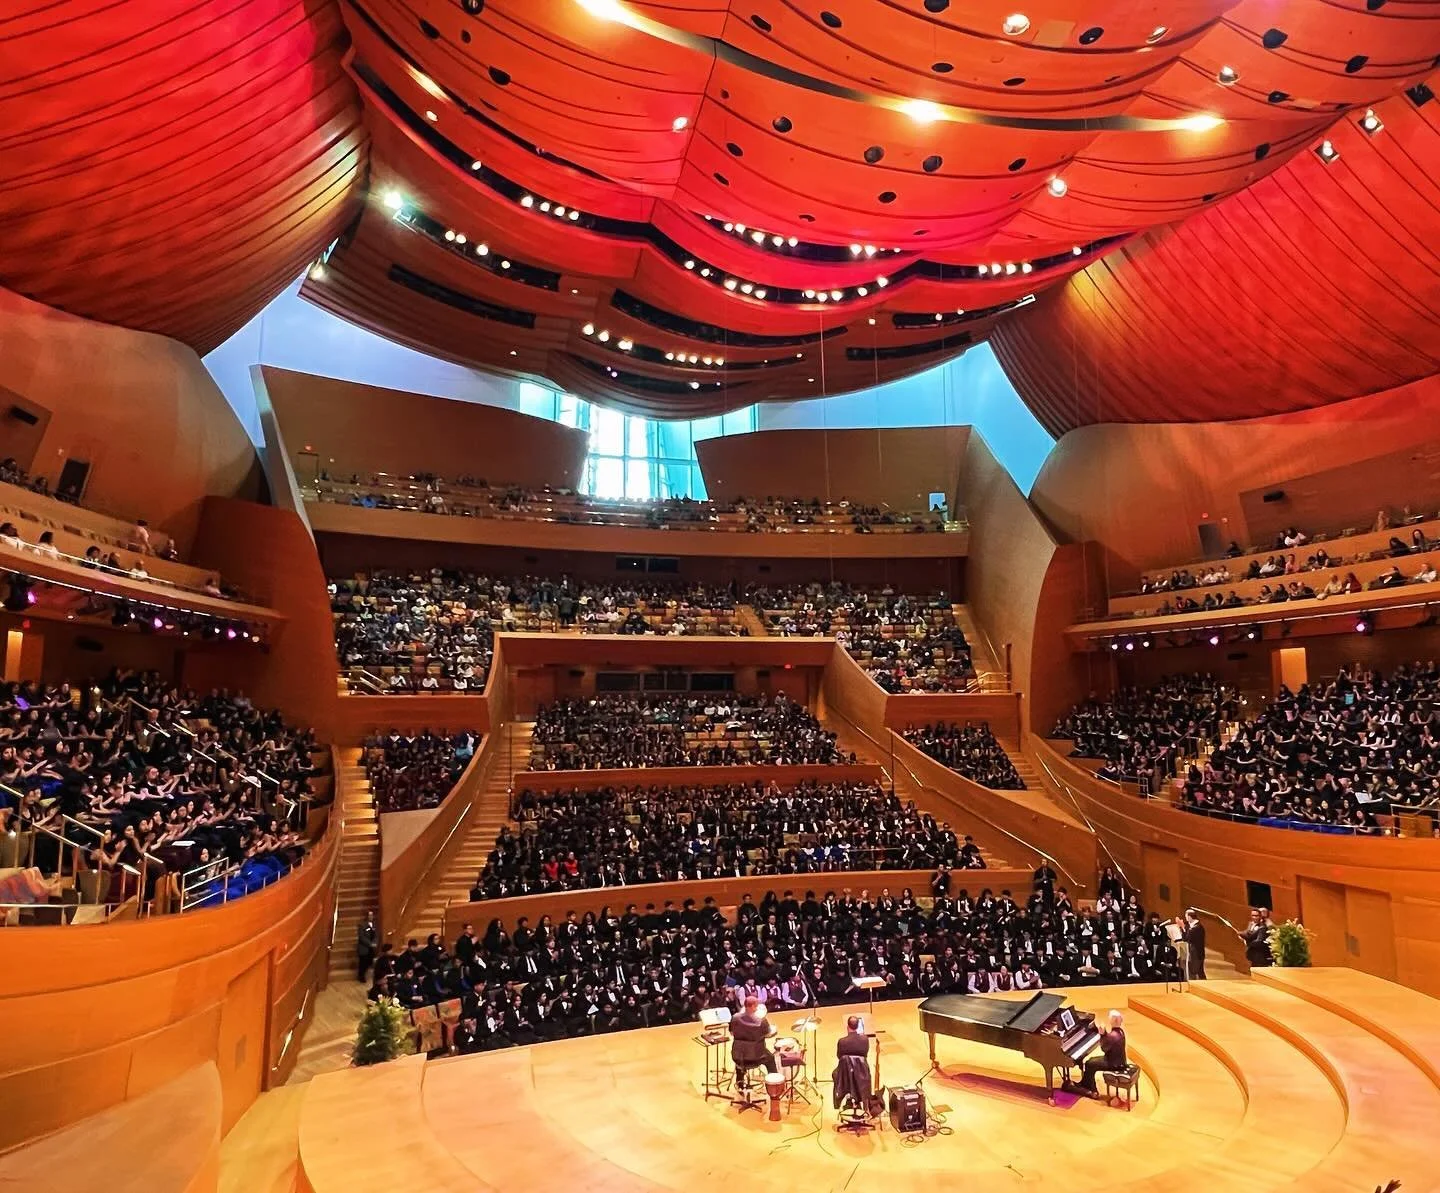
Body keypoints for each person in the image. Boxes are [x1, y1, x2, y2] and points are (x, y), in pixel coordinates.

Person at [1077, 1010, 1127, 1095]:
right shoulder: (1120, 1031)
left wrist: (1102, 1034)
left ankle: (1090, 1088)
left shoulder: (1113, 1035)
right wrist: (1105, 1034)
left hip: (1113, 1064)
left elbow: (1104, 1048)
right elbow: (1110, 1041)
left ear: (1112, 1021)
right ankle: (1085, 1083)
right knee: (1091, 1060)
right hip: (1120, 1061)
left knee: (1089, 1063)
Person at [729, 994, 778, 1076]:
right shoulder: (761, 1021)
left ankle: (740, 1080)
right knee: (770, 1058)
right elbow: (768, 1034)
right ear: (753, 1006)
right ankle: (774, 1079)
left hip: (737, 1056)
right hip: (756, 1057)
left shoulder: (734, 1018)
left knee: (741, 1053)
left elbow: (731, 1033)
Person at [1182, 909, 1207, 980]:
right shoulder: (1195, 926)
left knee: (1196, 971)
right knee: (1199, 971)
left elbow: (1186, 938)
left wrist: (1183, 928)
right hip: (1196, 952)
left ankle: (1203, 984)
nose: (1186, 919)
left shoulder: (1197, 927)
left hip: (1197, 953)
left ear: (1190, 917)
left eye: (1186, 917)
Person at [356, 911, 380, 982]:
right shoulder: (362, 925)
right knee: (363, 963)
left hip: (371, 949)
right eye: (369, 915)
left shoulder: (374, 925)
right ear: (366, 916)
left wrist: (375, 942)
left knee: (370, 961)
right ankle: (361, 976)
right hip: (364, 948)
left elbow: (376, 935)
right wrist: (370, 944)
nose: (371, 917)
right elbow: (361, 937)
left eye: (372, 915)